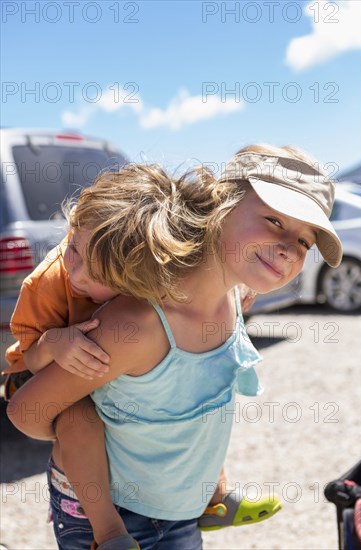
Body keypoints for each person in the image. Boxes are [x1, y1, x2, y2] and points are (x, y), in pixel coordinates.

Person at [7, 145, 343, 550]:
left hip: (182, 511)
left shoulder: (235, 300)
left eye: (306, 242)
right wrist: (72, 426)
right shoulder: (139, 324)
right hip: (112, 519)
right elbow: (26, 411)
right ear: (220, 204)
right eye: (274, 220)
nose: (291, 248)